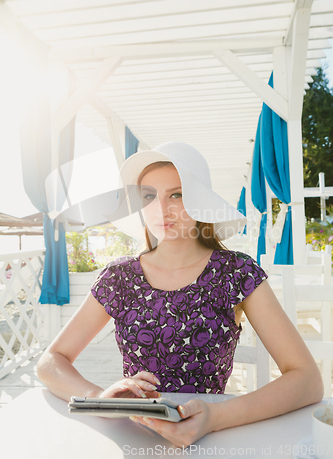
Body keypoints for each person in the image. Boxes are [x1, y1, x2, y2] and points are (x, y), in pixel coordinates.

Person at [37, 141, 324, 448]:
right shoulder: (118, 277)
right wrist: (100, 399)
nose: (161, 209)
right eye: (149, 196)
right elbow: (50, 362)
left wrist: (216, 417)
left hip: (212, 438)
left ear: (200, 199)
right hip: (131, 437)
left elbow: (308, 380)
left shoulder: (236, 272)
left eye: (177, 194)